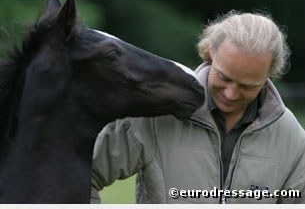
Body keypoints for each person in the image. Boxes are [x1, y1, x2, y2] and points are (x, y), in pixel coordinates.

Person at [91, 11, 305, 204]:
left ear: (269, 75)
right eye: (224, 77)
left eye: (247, 86)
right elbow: (80, 175)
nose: (231, 93)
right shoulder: (158, 111)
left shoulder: (293, 139)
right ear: (211, 52)